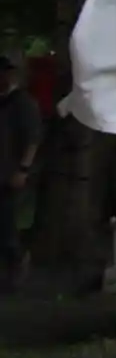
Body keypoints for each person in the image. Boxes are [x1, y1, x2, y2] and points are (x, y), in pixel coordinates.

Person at [0, 55, 42, 293]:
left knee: (7, 224)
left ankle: (17, 264)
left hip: (11, 174)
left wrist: (23, 168)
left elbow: (32, 139)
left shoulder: (22, 103)